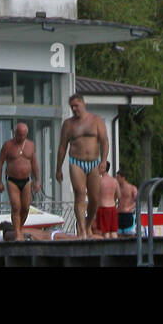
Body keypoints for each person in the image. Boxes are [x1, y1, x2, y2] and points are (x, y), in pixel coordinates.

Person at [56, 94, 108, 239]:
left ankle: (87, 224)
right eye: (71, 107)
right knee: (79, 194)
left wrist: (104, 160)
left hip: (93, 162)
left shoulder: (96, 120)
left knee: (94, 198)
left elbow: (104, 141)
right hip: (76, 162)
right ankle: (82, 230)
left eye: (76, 106)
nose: (74, 109)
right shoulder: (68, 124)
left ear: (83, 104)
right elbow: (62, 147)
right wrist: (58, 168)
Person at [0, 122, 39, 242]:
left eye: (23, 135)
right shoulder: (8, 145)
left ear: (26, 134)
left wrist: (37, 181)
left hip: (26, 180)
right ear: (15, 133)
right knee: (16, 206)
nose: (21, 137)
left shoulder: (31, 145)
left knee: (25, 207)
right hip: (12, 180)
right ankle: (18, 233)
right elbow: (0, 163)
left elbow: (34, 163)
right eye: (19, 135)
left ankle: (19, 229)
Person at [94, 161, 119, 238]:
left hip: (103, 208)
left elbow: (95, 196)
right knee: (114, 232)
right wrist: (113, 200)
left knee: (105, 233)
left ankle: (107, 249)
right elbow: (118, 194)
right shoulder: (114, 181)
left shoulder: (99, 181)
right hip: (112, 207)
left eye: (99, 167)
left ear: (104, 168)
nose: (97, 168)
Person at [115, 169, 139, 238]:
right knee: (119, 235)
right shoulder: (117, 188)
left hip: (128, 214)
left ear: (123, 178)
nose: (117, 179)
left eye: (118, 177)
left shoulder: (132, 188)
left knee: (130, 234)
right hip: (119, 214)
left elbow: (137, 201)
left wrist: (129, 208)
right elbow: (113, 200)